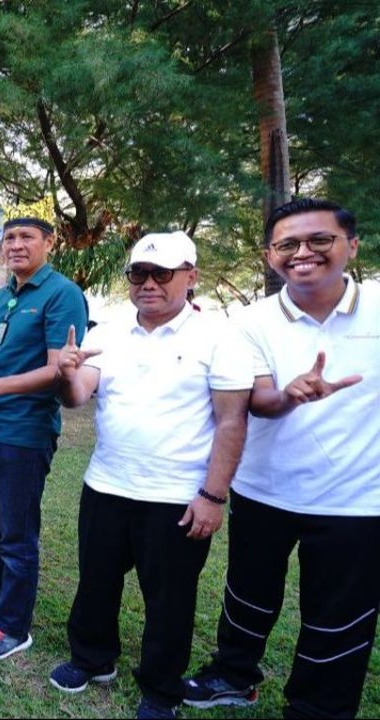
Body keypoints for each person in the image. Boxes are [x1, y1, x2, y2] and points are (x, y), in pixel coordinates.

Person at [182, 199, 379, 719]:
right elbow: (259, 403)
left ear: (350, 246)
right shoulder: (249, 321)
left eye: (319, 240)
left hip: (358, 502)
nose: (303, 253)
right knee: (248, 595)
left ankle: (318, 708)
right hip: (266, 489)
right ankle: (232, 674)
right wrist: (293, 393)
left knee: (338, 616)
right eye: (288, 244)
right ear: (271, 256)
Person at [50, 232, 252, 718]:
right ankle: (92, 659)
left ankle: (162, 689)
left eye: (163, 274)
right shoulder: (109, 331)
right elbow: (78, 396)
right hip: (107, 483)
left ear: (191, 276)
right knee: (96, 580)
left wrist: (213, 495)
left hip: (177, 494)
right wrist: (65, 373)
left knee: (169, 599)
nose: (149, 284)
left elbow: (231, 421)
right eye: (139, 273)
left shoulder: (219, 336)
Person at [0, 216, 87, 659]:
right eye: (9, 237)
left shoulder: (62, 294)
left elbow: (58, 370)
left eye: (27, 237)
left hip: (25, 432)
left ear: (49, 243)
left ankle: (13, 627)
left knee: (16, 532)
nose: (16, 244)